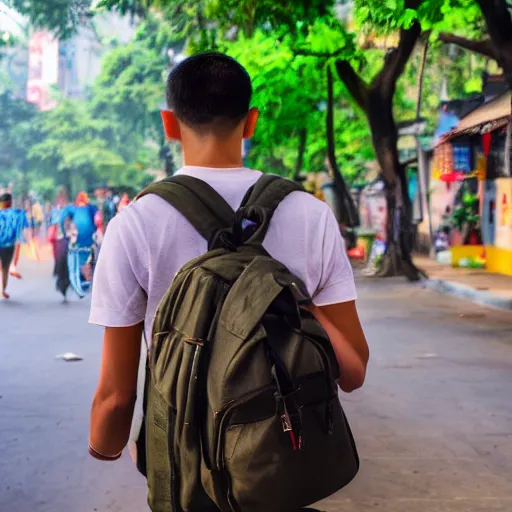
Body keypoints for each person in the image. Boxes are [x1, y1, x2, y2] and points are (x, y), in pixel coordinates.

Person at [88, 53, 369, 508]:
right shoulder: (312, 215)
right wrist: (286, 294)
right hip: (278, 463)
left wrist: (105, 446)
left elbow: (118, 396)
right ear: (251, 120)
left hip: (182, 473)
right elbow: (352, 370)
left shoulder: (134, 224)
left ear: (169, 123)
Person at [0, 193, 30, 299]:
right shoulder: (17, 214)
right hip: (9, 246)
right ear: (10, 203)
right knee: (5, 268)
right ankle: (3, 291)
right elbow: (25, 226)